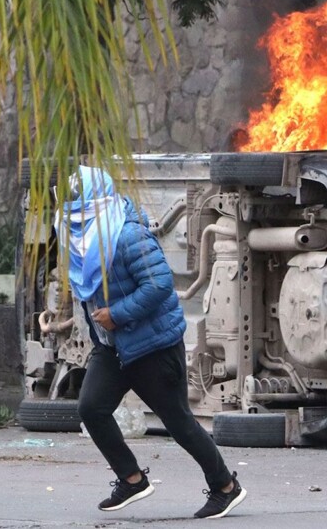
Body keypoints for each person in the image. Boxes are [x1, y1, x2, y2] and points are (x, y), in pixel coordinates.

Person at [55, 166, 247, 519]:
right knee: (91, 409)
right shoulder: (85, 238)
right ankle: (132, 479)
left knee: (179, 423)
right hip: (112, 346)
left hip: (152, 346)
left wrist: (118, 314)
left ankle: (226, 487)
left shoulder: (128, 236)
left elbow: (159, 286)